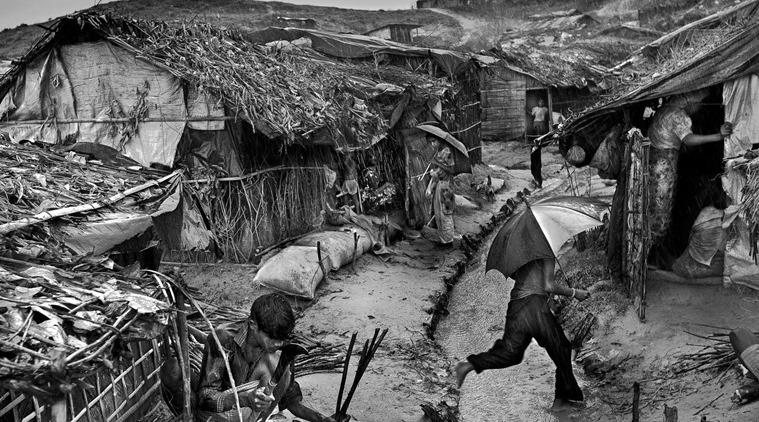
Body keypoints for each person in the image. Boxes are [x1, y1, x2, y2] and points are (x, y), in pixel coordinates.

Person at [453, 259, 591, 412]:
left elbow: (515, 275)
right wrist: (574, 292)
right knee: (562, 348)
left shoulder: (525, 249)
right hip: (534, 307)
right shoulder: (545, 251)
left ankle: (467, 365)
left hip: (517, 306)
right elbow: (549, 285)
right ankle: (560, 401)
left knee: (511, 353)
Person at [196, 293, 337, 422]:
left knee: (279, 365)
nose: (278, 343)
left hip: (251, 414)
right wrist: (244, 399)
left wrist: (320, 419)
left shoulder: (278, 344)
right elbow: (204, 398)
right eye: (272, 338)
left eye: (282, 339)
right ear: (253, 325)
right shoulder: (224, 339)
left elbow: (288, 398)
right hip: (218, 414)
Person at [646, 90, 733, 244]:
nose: (697, 110)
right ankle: (655, 242)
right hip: (663, 165)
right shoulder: (676, 115)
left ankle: (652, 243)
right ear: (689, 103)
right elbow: (688, 139)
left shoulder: (663, 110)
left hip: (653, 162)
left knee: (652, 203)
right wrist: (718, 136)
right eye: (697, 106)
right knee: (661, 204)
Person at [425, 140, 456, 245]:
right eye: (431, 142)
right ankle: (443, 239)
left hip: (446, 187)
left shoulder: (447, 152)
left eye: (434, 141)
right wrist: (433, 172)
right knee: (438, 214)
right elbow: (439, 170)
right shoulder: (438, 152)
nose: (432, 144)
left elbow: (451, 170)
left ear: (438, 139)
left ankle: (448, 241)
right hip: (439, 185)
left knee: (445, 214)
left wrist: (436, 163)